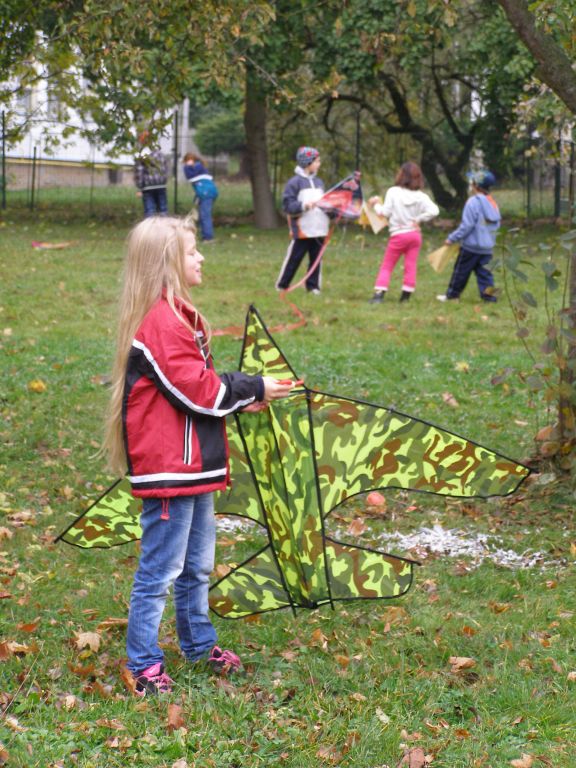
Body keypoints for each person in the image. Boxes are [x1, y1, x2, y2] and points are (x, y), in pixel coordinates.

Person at [103, 216, 295, 696]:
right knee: (161, 571)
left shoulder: (177, 316)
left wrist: (243, 400)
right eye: (192, 251)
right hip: (170, 471)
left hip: (193, 468)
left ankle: (197, 644)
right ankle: (143, 663)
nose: (201, 257)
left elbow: (194, 392)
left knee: (196, 566)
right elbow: (198, 391)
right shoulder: (161, 323)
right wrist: (253, 386)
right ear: (167, 262)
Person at [368, 162, 439, 303]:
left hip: (398, 234)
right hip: (414, 235)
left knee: (387, 265)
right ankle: (405, 297)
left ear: (402, 175)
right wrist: (419, 219)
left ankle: (379, 295)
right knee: (410, 265)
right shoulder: (421, 196)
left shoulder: (393, 192)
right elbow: (434, 211)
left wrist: (375, 204)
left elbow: (384, 213)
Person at [437, 170, 500, 302]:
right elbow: (496, 225)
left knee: (460, 272)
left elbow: (467, 226)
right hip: (487, 248)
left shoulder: (472, 202)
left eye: (472, 182)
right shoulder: (493, 203)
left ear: (476, 185)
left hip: (470, 248)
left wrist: (452, 238)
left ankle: (452, 296)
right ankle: (491, 298)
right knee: (486, 274)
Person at [276, 146, 330, 294]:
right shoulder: (294, 183)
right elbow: (288, 205)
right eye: (317, 161)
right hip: (303, 231)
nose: (319, 164)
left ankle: (313, 286)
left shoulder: (319, 183)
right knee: (294, 259)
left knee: (316, 259)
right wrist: (304, 206)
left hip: (319, 229)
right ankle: (282, 285)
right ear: (307, 163)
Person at [183, 153, 219, 243]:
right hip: (204, 194)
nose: (185, 164)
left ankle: (208, 237)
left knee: (205, 215)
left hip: (206, 194)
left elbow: (190, 176)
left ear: (191, 160)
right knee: (203, 215)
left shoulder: (197, 167)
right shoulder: (198, 167)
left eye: (186, 161)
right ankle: (204, 235)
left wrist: (187, 166)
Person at [133, 131, 170, 218]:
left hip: (148, 186)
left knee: (150, 210)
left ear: (142, 141)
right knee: (163, 209)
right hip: (161, 185)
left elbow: (139, 172)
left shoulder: (142, 154)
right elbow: (165, 169)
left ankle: (150, 225)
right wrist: (164, 180)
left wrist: (139, 187)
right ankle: (164, 225)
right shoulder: (160, 153)